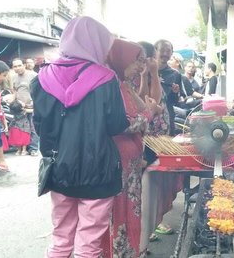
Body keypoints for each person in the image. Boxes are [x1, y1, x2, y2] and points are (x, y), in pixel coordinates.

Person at [31, 16, 129, 257]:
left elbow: (40, 127)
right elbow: (117, 125)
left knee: (61, 236)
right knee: (89, 242)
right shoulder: (106, 78)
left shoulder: (40, 79)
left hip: (59, 168)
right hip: (98, 169)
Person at [101, 39, 162, 258]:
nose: (140, 65)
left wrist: (149, 109)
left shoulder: (123, 84)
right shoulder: (111, 86)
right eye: (136, 60)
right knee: (119, 212)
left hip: (131, 162)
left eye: (142, 60)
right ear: (121, 59)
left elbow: (146, 106)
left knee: (129, 211)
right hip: (119, 161)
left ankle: (129, 253)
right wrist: (149, 114)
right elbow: (124, 123)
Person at [138, 41, 182, 254]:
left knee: (153, 185)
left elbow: (167, 101)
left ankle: (150, 227)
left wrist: (173, 91)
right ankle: (141, 236)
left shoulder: (173, 74)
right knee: (141, 189)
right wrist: (151, 74)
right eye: (160, 52)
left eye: (168, 52)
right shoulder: (137, 75)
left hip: (161, 134)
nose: (164, 55)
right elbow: (146, 103)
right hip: (143, 138)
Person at [155, 39, 183, 136]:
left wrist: (175, 92)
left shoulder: (175, 74)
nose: (165, 54)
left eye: (168, 51)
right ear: (155, 51)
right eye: (162, 50)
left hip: (167, 117)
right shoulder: (145, 70)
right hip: (148, 116)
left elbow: (175, 101)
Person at [11, 58, 39, 156]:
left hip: (32, 107)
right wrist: (12, 101)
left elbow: (40, 91)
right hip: (20, 109)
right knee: (21, 128)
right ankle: (24, 148)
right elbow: (14, 91)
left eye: (19, 65)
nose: (18, 68)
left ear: (24, 65)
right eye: (15, 66)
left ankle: (33, 148)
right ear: (12, 67)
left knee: (32, 127)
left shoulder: (34, 75)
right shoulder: (13, 77)